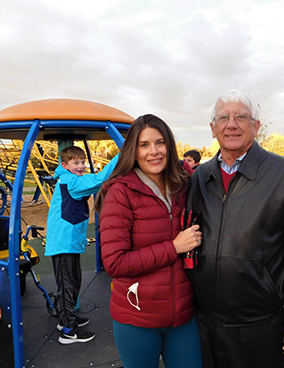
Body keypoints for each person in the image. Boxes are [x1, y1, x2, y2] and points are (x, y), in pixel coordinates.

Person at [185, 89, 284, 368]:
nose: (231, 124)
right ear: (213, 129)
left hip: (258, 326)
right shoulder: (200, 177)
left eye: (241, 117)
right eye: (223, 118)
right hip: (204, 325)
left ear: (256, 126)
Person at [95, 114, 203, 368]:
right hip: (137, 318)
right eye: (144, 145)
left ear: (170, 146)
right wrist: (174, 247)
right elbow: (115, 263)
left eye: (160, 142)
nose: (153, 152)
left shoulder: (182, 185)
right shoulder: (120, 192)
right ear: (134, 149)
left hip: (183, 315)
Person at [45, 145, 119, 344]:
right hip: (63, 243)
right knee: (67, 284)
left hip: (69, 242)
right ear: (65, 165)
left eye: (82, 162)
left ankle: (65, 318)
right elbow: (99, 179)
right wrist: (122, 155)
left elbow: (95, 185)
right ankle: (68, 331)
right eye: (75, 163)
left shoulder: (70, 179)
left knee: (73, 281)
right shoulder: (71, 181)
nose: (80, 166)